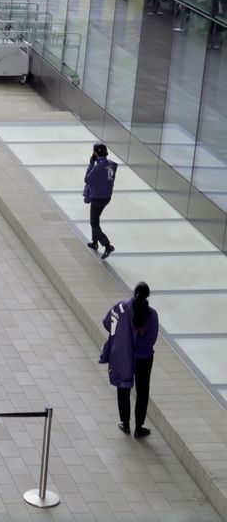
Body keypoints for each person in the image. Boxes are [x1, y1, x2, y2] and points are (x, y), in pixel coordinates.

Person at [100, 282, 158, 438]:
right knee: (142, 391)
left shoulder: (122, 307)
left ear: (134, 292)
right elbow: (151, 340)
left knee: (123, 387)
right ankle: (139, 427)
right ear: (148, 296)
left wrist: (122, 335)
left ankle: (125, 423)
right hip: (144, 358)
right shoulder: (152, 315)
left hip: (124, 355)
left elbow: (107, 322)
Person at [85, 143, 117, 259]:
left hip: (98, 197)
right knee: (96, 219)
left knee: (93, 222)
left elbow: (87, 179)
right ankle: (94, 242)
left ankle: (107, 245)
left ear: (96, 154)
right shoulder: (112, 165)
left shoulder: (98, 168)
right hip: (106, 196)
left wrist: (91, 164)